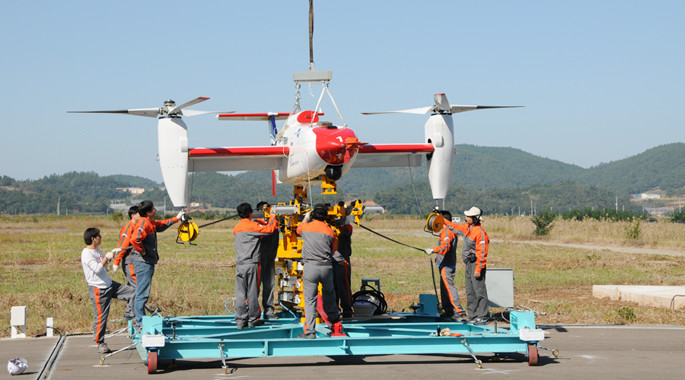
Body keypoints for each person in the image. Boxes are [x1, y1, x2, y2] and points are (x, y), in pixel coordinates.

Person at [128, 200, 184, 328]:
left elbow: (161, 225)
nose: (155, 210)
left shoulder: (149, 222)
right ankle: (140, 321)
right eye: (153, 209)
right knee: (142, 293)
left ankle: (139, 318)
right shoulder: (143, 224)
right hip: (143, 263)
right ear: (148, 213)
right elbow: (135, 239)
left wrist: (176, 218)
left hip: (146, 262)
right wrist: (143, 251)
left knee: (142, 292)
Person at [81, 227, 135, 353]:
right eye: (98, 236)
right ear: (93, 239)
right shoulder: (87, 254)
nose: (101, 237)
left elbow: (103, 265)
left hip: (109, 284)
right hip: (99, 289)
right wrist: (106, 257)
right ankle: (100, 342)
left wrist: (112, 256)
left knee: (133, 292)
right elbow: (97, 269)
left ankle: (129, 315)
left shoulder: (96, 250)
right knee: (101, 317)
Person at [296, 204, 342, 338]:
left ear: (313, 215)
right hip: (327, 267)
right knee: (329, 295)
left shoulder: (306, 226)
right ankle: (335, 323)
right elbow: (333, 251)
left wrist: (306, 217)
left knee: (310, 300)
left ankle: (310, 331)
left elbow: (298, 230)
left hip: (311, 267)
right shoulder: (330, 231)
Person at [233, 202, 277, 329]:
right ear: (250, 213)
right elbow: (269, 230)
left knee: (240, 293)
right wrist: (273, 217)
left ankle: (240, 320)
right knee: (252, 292)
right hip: (252, 264)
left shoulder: (237, 227)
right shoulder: (253, 226)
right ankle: (253, 319)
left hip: (240, 264)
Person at [443, 206, 490, 325]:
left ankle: (483, 316)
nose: (466, 217)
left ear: (475, 219)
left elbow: (482, 252)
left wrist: (478, 269)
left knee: (479, 291)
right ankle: (473, 315)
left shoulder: (480, 233)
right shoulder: (467, 229)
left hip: (476, 265)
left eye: (468, 216)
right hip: (469, 264)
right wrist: (442, 220)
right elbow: (455, 227)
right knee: (470, 291)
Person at [424, 210, 466, 321]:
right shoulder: (446, 231)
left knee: (449, 288)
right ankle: (448, 311)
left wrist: (432, 250)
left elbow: (445, 247)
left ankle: (458, 311)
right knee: (444, 289)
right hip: (444, 265)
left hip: (447, 266)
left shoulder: (448, 232)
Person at [112, 205, 139, 321]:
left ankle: (131, 313)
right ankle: (130, 315)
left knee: (133, 287)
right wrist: (116, 262)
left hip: (135, 261)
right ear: (133, 215)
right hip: (130, 262)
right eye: (140, 214)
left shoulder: (137, 226)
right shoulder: (129, 228)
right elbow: (122, 246)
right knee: (135, 287)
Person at [255, 201, 279, 320]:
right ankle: (254, 311)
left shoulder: (274, 223)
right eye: (266, 209)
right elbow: (268, 230)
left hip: (270, 258)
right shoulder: (257, 223)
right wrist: (272, 217)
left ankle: (269, 310)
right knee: (256, 286)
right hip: (259, 259)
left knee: (269, 286)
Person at [332, 206, 354, 318]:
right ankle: (334, 308)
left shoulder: (347, 227)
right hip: (331, 260)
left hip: (342, 261)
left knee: (344, 286)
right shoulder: (329, 228)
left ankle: (347, 309)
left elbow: (345, 232)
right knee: (332, 286)